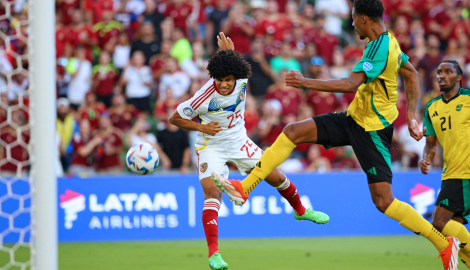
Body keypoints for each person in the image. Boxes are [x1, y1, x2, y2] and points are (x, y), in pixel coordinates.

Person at [212, 1, 460, 270]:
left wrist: (305, 82)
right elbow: (410, 75)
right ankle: (245, 187)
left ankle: (444, 245)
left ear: (365, 19)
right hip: (354, 119)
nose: (352, 24)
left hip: (373, 131)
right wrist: (411, 114)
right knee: (293, 131)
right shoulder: (388, 42)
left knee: (383, 202)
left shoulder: (382, 47)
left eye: (354, 19)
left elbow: (349, 84)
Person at [169, 33, 329, 270]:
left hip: (239, 141)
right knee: (212, 194)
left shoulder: (242, 79)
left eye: (228, 79)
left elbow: (235, 63)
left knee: (277, 177)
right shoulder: (204, 95)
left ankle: (301, 211)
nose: (223, 84)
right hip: (210, 146)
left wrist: (229, 53)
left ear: (236, 77)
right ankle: (214, 253)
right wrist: (201, 126)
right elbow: (175, 117)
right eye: (219, 79)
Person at [420, 60, 470, 268]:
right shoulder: (432, 107)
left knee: (439, 223)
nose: (441, 75)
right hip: (451, 172)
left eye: (448, 72)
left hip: (464, 173)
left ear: (459, 78)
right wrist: (427, 158)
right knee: (453, 231)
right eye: (439, 72)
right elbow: (430, 143)